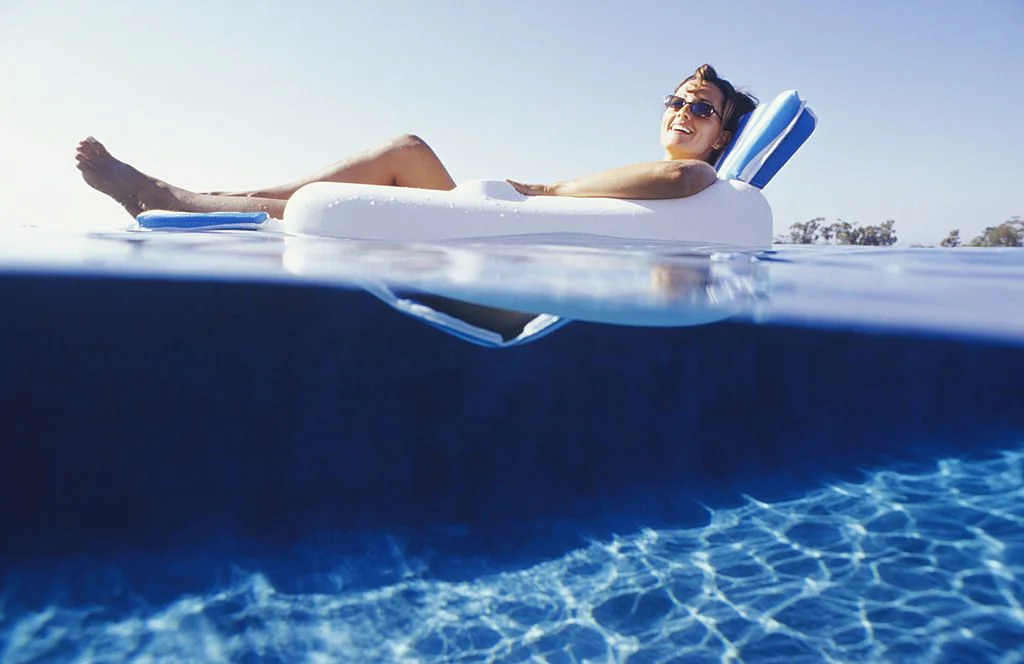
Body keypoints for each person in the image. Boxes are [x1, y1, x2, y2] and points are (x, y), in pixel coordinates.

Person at [76, 64, 757, 221]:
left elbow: (683, 182)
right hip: (508, 239)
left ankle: (180, 199)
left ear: (722, 136)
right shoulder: (655, 173)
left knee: (391, 183)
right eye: (674, 100)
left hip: (511, 268)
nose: (680, 111)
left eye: (699, 107)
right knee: (407, 150)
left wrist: (547, 188)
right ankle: (210, 196)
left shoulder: (702, 182)